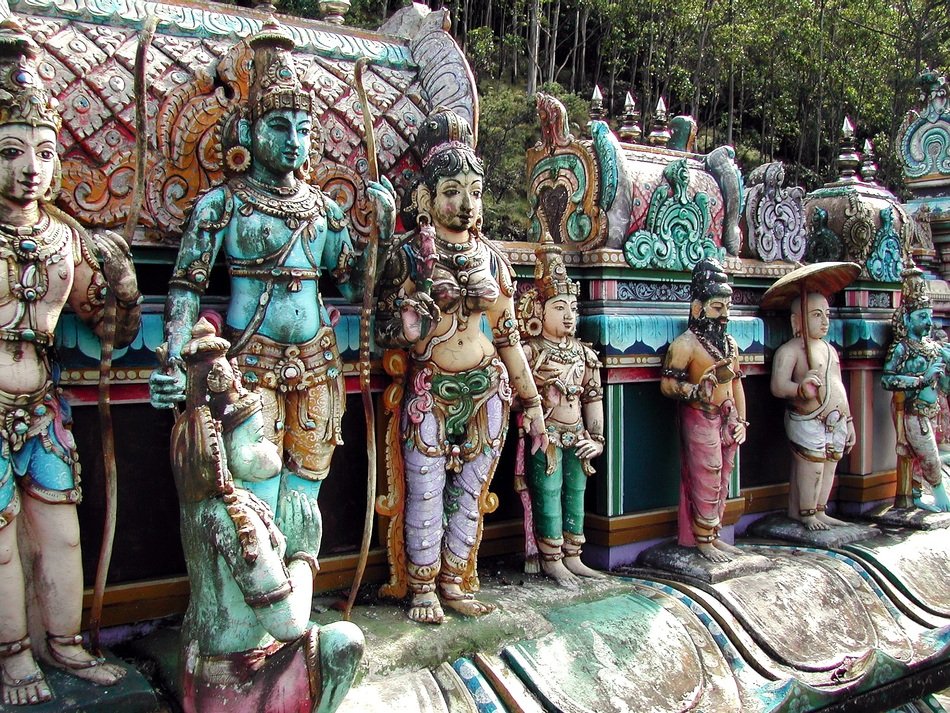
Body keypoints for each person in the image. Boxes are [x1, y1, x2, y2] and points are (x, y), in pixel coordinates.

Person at [149, 21, 395, 518]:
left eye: (303, 130)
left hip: (318, 367)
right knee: (254, 501)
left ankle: (297, 596)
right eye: (279, 127)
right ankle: (264, 595)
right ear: (247, 130)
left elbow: (356, 285)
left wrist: (382, 235)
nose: (293, 142)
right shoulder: (223, 204)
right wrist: (174, 357)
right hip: (248, 365)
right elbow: (185, 287)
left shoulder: (324, 211)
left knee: (304, 506)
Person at [0, 20, 140, 705]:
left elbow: (106, 320)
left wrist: (121, 288)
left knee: (59, 528)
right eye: (11, 152)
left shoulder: (65, 237)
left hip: (43, 405)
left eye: (45, 153)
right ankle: (13, 654)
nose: (31, 168)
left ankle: (64, 642)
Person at [375, 109, 547, 624]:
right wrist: (414, 319)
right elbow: (382, 328)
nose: (465, 203)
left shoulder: (492, 259)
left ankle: (454, 580)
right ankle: (423, 586)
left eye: (473, 191)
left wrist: (533, 402)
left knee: (472, 491)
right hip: (430, 386)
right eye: (451, 191)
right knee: (425, 489)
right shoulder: (408, 256)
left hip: (488, 388)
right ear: (425, 199)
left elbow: (511, 336)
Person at [172, 319, 363, 713]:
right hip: (236, 689)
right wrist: (305, 557)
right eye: (258, 440)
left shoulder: (201, 505)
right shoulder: (236, 520)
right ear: (220, 452)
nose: (271, 452)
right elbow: (289, 624)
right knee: (344, 641)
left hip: (197, 673)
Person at [517, 234, 605, 584]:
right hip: (546, 436)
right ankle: (551, 556)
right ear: (538, 311)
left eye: (573, 308)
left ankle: (574, 554)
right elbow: (513, 397)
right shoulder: (532, 352)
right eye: (559, 307)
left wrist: (597, 438)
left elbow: (593, 398)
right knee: (549, 492)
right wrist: (540, 403)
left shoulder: (585, 355)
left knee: (576, 491)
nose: (569, 316)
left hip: (578, 436)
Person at [660, 258, 748, 562]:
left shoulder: (730, 344)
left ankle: (714, 532)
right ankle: (701, 537)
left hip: (727, 417)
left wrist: (742, 420)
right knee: (705, 474)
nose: (724, 316)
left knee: (724, 475)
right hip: (699, 413)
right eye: (717, 308)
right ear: (698, 308)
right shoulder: (686, 344)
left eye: (727, 308)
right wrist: (694, 390)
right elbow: (668, 384)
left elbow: (736, 383)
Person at [771, 292, 855, 529]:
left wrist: (849, 422)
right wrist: (800, 389)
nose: (825, 321)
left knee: (829, 467)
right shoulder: (791, 350)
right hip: (807, 419)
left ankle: (820, 509)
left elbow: (839, 386)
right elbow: (778, 386)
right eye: (816, 315)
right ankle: (804, 513)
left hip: (835, 420)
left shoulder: (829, 350)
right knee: (812, 467)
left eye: (827, 315)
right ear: (796, 322)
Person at [881, 266, 950, 512]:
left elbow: (943, 383)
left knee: (925, 454)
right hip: (912, 410)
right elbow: (887, 379)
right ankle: (940, 493)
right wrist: (920, 379)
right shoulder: (902, 348)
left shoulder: (932, 347)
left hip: (933, 410)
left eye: (929, 315)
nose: (928, 321)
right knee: (928, 455)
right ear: (907, 318)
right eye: (922, 316)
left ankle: (917, 494)